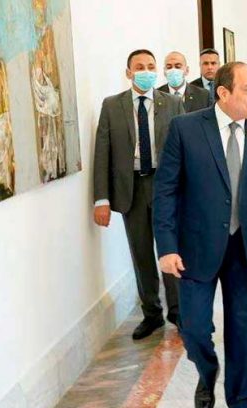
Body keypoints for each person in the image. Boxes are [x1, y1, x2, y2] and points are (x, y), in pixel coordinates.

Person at [153, 62, 247, 408]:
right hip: (195, 246)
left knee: (242, 327)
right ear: (223, 93)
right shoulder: (185, 129)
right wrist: (166, 246)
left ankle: (242, 404)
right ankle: (207, 371)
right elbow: (165, 191)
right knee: (195, 327)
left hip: (243, 246)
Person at [93, 49, 184, 340]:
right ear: (128, 72)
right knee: (141, 253)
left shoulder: (173, 103)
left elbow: (186, 148)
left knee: (170, 250)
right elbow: (102, 153)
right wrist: (101, 198)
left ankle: (178, 312)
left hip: (166, 186)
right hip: (130, 188)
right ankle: (152, 314)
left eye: (151, 66)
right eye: (140, 67)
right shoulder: (112, 105)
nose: (146, 71)